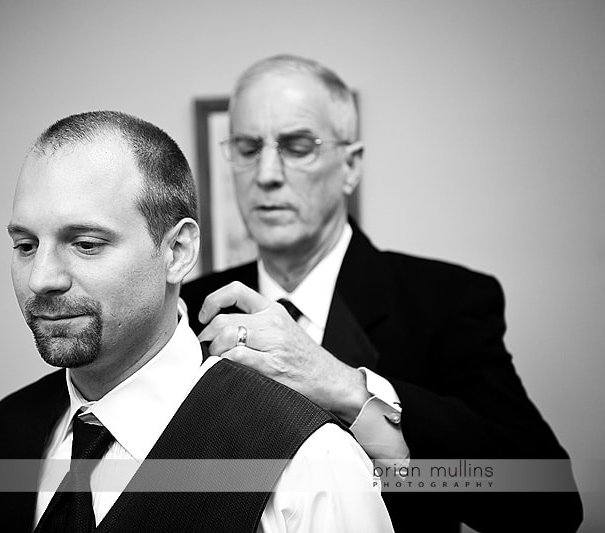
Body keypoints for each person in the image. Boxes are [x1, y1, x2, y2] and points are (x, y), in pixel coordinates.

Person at [181, 54, 583, 533]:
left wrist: (350, 389)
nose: (266, 173)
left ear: (350, 166)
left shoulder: (445, 300)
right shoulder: (191, 306)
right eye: (248, 148)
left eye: (297, 146)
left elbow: (549, 500)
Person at [0, 110, 394, 532]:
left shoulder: (308, 463)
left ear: (177, 252)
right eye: (25, 245)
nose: (41, 278)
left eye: (85, 244)